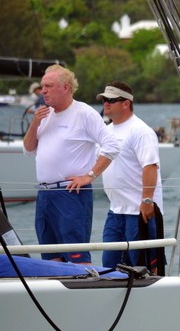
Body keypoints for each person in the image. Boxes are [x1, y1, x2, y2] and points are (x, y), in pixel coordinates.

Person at [22, 65, 120, 263]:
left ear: (65, 87)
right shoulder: (44, 115)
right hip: (44, 195)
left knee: (77, 256)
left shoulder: (84, 113)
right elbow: (28, 150)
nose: (43, 91)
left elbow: (112, 146)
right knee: (51, 258)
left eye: (48, 86)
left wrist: (90, 175)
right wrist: (34, 124)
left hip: (71, 194)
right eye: (42, 86)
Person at [96, 81, 165, 272]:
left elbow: (150, 166)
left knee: (145, 266)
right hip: (115, 210)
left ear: (126, 103)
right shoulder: (107, 132)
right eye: (104, 100)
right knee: (109, 266)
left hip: (140, 211)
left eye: (111, 100)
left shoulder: (141, 131)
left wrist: (147, 200)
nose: (106, 103)